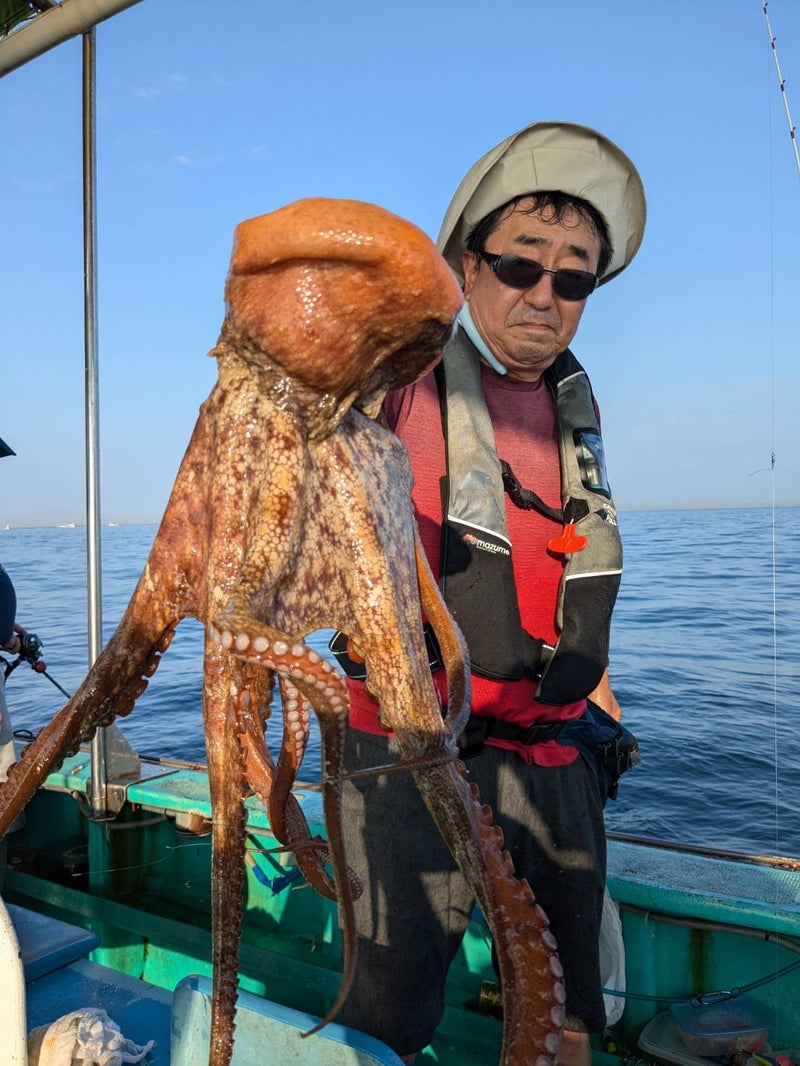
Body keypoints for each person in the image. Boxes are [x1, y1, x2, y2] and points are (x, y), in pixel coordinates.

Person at [339, 122, 646, 1065]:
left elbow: (561, 577)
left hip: (553, 753)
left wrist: (597, 701)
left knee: (570, 1014)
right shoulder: (399, 376)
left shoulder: (575, 411)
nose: (544, 295)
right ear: (468, 268)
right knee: (389, 1009)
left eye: (573, 278)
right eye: (520, 265)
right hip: (407, 750)